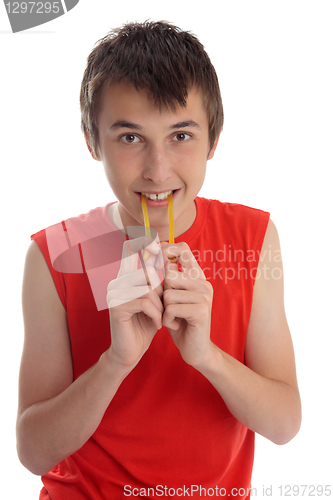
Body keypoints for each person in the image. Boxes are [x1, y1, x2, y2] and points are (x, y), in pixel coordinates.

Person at [16, 21, 301, 499]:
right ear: (92, 141)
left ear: (213, 141)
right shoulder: (54, 254)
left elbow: (285, 424)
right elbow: (33, 452)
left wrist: (207, 356)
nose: (157, 169)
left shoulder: (254, 239)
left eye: (181, 136)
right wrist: (115, 362)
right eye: (130, 138)